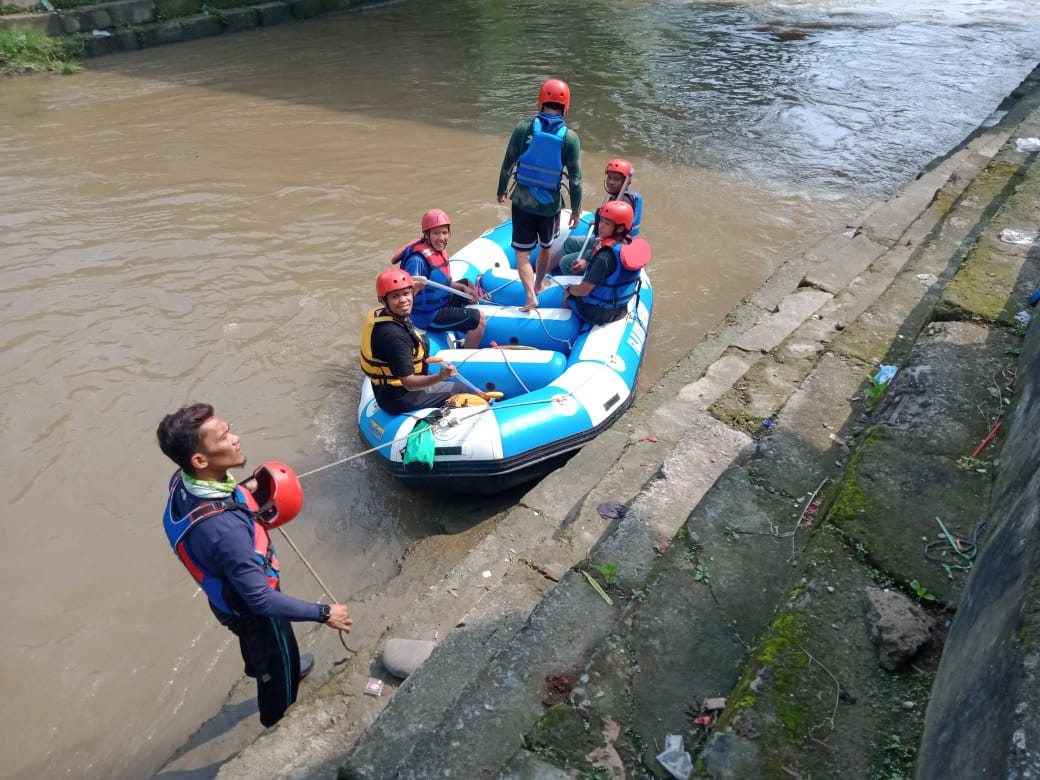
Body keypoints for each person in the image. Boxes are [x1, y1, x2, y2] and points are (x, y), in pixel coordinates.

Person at [158, 403, 353, 728]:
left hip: (227, 599)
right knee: (278, 669)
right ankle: (277, 708)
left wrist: (246, 493)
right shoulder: (225, 532)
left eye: (228, 429)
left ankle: (264, 665)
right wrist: (326, 614)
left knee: (256, 645)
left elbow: (221, 505)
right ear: (200, 460)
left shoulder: (182, 480)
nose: (235, 438)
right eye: (223, 437)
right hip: (256, 610)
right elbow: (261, 600)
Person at [496, 78, 583, 311]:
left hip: (522, 201)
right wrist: (575, 210)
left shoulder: (523, 128)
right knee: (545, 247)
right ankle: (538, 284)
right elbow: (575, 178)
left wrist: (501, 190)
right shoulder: (570, 138)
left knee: (522, 254)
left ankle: (529, 296)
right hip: (550, 206)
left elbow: (508, 163)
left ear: (540, 102)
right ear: (566, 107)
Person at [359, 267, 463, 414]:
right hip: (401, 397)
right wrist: (441, 376)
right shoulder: (394, 337)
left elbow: (401, 300)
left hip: (386, 390)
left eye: (406, 293)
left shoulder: (381, 313)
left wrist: (415, 288)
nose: (403, 300)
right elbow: (409, 384)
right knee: (462, 391)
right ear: (383, 300)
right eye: (395, 296)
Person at [391, 209, 486, 349]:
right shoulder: (417, 261)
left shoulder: (437, 250)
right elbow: (405, 294)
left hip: (439, 303)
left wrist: (463, 288)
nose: (441, 238)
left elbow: (441, 284)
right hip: (426, 316)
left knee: (467, 283)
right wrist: (416, 287)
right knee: (479, 320)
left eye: (444, 232)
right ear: (427, 235)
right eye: (436, 233)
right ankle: (466, 355)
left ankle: (463, 325)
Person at [563, 200, 645, 326]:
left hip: (600, 312)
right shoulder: (627, 245)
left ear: (620, 228)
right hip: (621, 308)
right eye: (601, 221)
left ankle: (567, 327)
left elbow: (583, 290)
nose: (600, 226)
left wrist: (570, 289)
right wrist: (587, 261)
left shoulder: (604, 258)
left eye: (606, 223)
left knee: (568, 293)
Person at [557, 158, 643, 274]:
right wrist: (599, 222)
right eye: (610, 177)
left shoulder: (623, 203)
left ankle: (572, 284)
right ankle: (547, 268)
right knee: (570, 242)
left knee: (565, 262)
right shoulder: (617, 197)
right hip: (603, 240)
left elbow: (616, 235)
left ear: (626, 182)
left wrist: (587, 259)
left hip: (610, 247)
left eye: (616, 179)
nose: (611, 182)